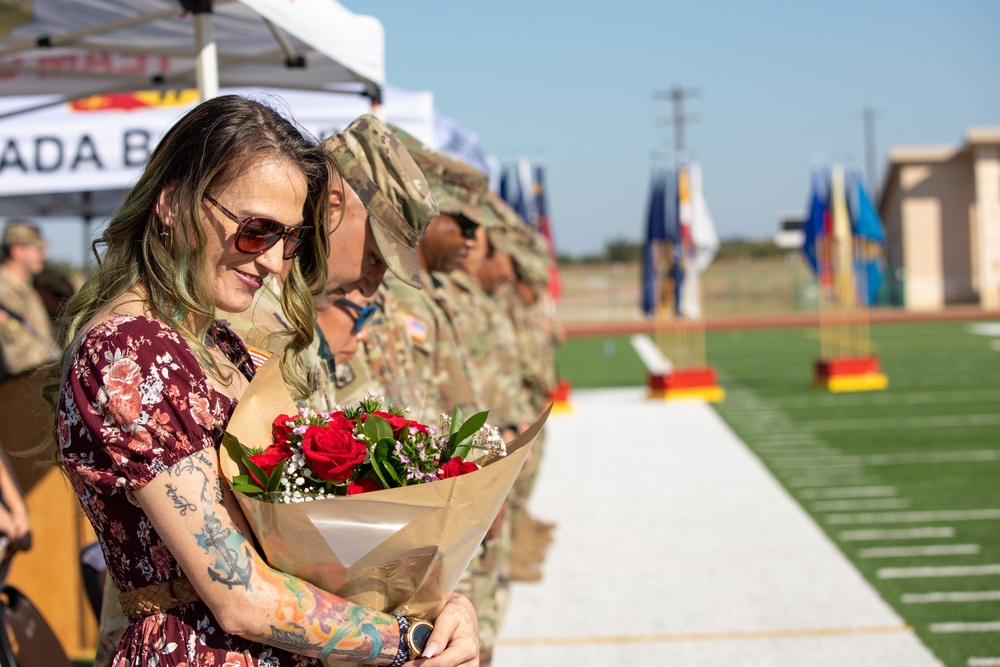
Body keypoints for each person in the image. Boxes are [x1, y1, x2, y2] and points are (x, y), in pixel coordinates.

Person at [47, 95, 477, 667]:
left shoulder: (218, 343)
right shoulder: (129, 352)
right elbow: (240, 596)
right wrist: (411, 640)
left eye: (291, 238)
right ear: (172, 202)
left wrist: (440, 604)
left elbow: (309, 549)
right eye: (256, 231)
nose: (275, 261)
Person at [0, 220, 60, 378]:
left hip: (38, 383)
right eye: (38, 248)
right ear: (17, 250)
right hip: (14, 391)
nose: (43, 255)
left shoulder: (29, 288)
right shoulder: (3, 291)